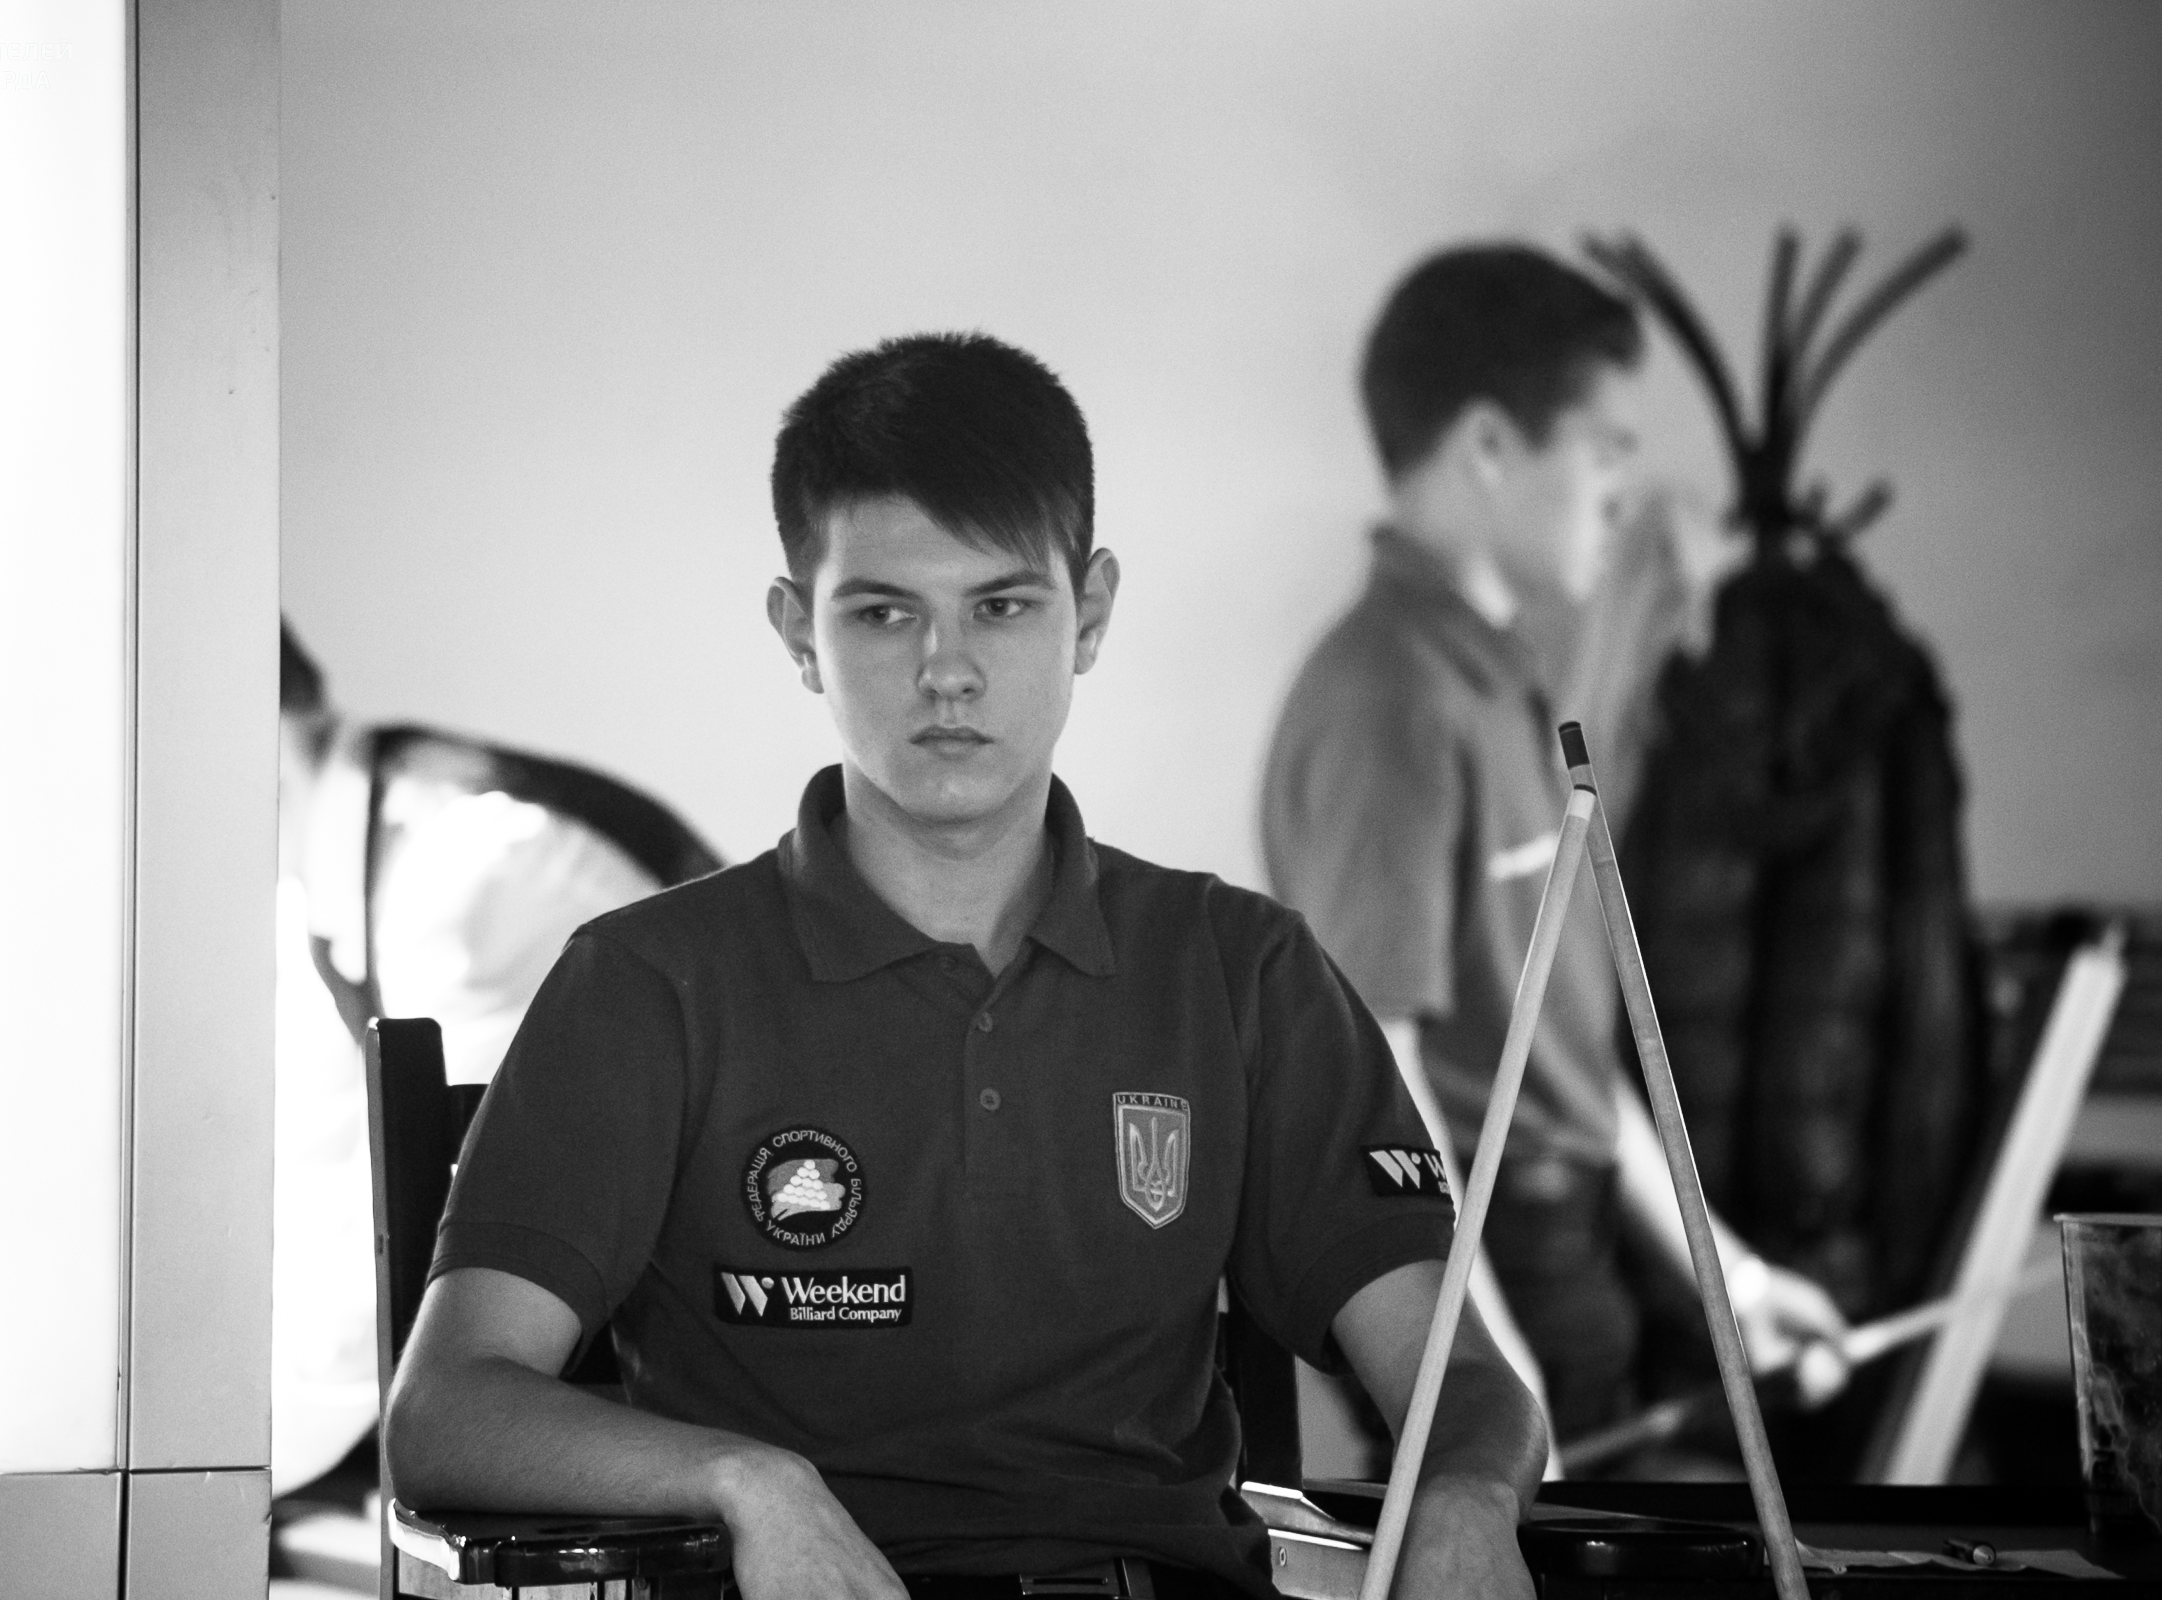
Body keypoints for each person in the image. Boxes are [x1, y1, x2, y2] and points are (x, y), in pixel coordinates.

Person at [387, 332, 1546, 1599]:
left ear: (1089, 612)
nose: (947, 671)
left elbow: (1457, 1379)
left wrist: (1467, 1494)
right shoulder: (648, 983)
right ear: (798, 631)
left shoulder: (1239, 970)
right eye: (884, 612)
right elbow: (445, 1410)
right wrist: (746, 1481)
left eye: (1002, 605)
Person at [1259, 244, 1850, 1453]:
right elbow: (1378, 1072)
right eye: (1607, 449)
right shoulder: (1392, 698)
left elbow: (1569, 1064)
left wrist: (1731, 1281)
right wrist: (1474, 1358)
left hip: (1560, 1241)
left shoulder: (1505, 675)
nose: (1625, 492)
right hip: (1493, 1254)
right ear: (1489, 444)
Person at [272, 625, 716, 1494]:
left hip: (662, 1396)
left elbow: (435, 1224)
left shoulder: (480, 866)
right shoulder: (322, 869)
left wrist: (201, 1467)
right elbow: (312, 1165)